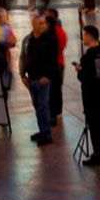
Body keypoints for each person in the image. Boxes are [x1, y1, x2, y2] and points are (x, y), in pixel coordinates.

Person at [20, 14, 60, 145]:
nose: (44, 25)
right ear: (34, 24)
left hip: (43, 79)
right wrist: (23, 75)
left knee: (43, 106)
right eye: (40, 23)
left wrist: (47, 76)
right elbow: (25, 58)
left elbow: (53, 60)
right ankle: (42, 130)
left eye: (44, 23)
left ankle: (47, 134)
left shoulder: (49, 39)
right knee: (37, 106)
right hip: (32, 77)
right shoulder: (29, 39)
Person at [74, 26, 100, 165]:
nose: (83, 37)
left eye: (85, 35)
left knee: (93, 126)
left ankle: (97, 153)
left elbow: (84, 78)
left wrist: (79, 70)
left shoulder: (86, 57)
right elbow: (99, 73)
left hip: (90, 96)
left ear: (90, 36)